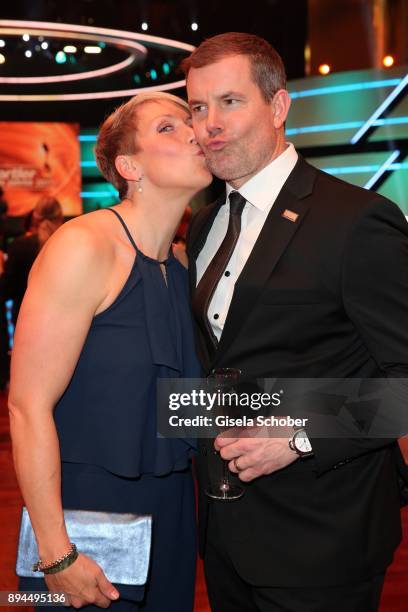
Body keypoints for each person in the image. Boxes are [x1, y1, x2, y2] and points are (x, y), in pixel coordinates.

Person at [182, 32, 408, 612]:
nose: (210, 124)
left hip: (324, 538)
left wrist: (300, 434)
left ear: (279, 108)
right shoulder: (206, 226)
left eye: (230, 102)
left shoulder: (356, 222)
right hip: (228, 535)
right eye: (198, 107)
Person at [9, 91, 212, 611]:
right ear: (129, 165)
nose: (194, 132)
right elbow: (26, 406)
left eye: (191, 122)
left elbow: (181, 404)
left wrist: (309, 420)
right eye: (169, 127)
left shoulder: (186, 265)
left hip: (171, 511)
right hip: (82, 523)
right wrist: (56, 554)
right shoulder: (84, 246)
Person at [0, 196, 64, 326]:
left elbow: (6, 290)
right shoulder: (69, 243)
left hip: (25, 320)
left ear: (35, 217)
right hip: (62, 318)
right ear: (60, 217)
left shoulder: (18, 246)